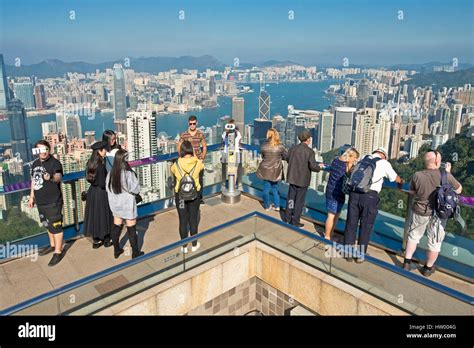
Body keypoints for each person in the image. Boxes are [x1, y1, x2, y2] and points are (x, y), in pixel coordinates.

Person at [403, 150, 462, 277]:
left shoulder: (417, 175)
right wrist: (448, 175)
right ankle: (427, 269)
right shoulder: (445, 175)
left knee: (413, 236)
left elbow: (412, 192)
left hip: (420, 211)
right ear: (437, 161)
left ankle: (407, 263)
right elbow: (458, 190)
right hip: (439, 214)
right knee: (435, 242)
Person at [343, 148, 404, 263]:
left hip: (354, 194)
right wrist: (401, 182)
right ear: (384, 156)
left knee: (351, 223)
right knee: (366, 226)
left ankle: (347, 252)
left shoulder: (364, 158)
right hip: (370, 197)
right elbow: (395, 178)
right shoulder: (384, 163)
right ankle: (360, 255)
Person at [28, 140, 65, 266]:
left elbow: (59, 176)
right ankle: (52, 245)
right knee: (47, 225)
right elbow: (33, 180)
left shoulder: (54, 163)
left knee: (56, 226)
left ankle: (58, 252)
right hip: (41, 202)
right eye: (40, 150)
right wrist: (32, 197)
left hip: (53, 201)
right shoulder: (35, 163)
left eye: (45, 149)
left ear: (49, 149)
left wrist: (51, 177)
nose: (43, 152)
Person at [106, 149, 144, 259]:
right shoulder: (128, 174)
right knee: (131, 228)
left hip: (115, 205)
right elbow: (136, 189)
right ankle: (135, 252)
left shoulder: (110, 174)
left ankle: (116, 249)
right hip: (127, 205)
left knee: (116, 226)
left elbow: (108, 189)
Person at [284, 130, 324, 227]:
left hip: (292, 177)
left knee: (291, 198)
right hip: (302, 180)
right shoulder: (309, 152)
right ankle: (295, 220)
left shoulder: (293, 148)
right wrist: (320, 167)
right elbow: (313, 166)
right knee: (299, 201)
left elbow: (288, 159)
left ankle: (287, 218)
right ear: (308, 140)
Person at [171, 140, 205, 253]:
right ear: (191, 150)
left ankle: (184, 246)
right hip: (194, 195)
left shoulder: (176, 164)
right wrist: (195, 155)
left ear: (181, 151)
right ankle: (194, 245)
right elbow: (201, 167)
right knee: (193, 220)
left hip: (180, 196)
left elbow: (173, 171)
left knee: (183, 220)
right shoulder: (197, 163)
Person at [324, 147, 360, 240]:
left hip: (330, 190)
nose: (355, 160)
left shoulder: (335, 160)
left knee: (332, 215)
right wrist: (351, 165)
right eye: (355, 157)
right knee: (333, 216)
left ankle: (329, 234)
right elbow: (351, 176)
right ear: (350, 156)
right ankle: (327, 236)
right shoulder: (348, 166)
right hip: (339, 193)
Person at [83, 141, 113, 249]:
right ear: (99, 151)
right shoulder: (101, 165)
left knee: (95, 216)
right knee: (104, 215)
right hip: (101, 192)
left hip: (92, 192)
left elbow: (89, 178)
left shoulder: (90, 163)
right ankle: (106, 239)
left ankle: (96, 240)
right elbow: (102, 182)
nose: (105, 151)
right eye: (104, 150)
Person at [256, 128, 287, 211]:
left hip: (266, 170)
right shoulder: (280, 146)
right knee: (275, 188)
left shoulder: (264, 146)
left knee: (266, 189)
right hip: (276, 170)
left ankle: (267, 206)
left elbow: (263, 156)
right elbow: (285, 156)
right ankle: (277, 206)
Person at [178, 115, 207, 204]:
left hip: (198, 161)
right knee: (187, 180)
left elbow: (204, 146)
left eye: (194, 123)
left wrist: (202, 157)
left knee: (200, 180)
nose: (192, 125)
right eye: (191, 123)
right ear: (188, 123)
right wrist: (181, 157)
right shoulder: (184, 135)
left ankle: (199, 198)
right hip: (187, 162)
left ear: (196, 123)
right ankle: (187, 196)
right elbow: (178, 146)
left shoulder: (200, 134)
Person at [221, 119, 243, 190]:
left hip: (227, 152)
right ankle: (233, 186)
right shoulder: (237, 133)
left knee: (228, 169)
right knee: (234, 170)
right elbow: (239, 140)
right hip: (234, 152)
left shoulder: (225, 133)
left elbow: (224, 140)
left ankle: (226, 185)